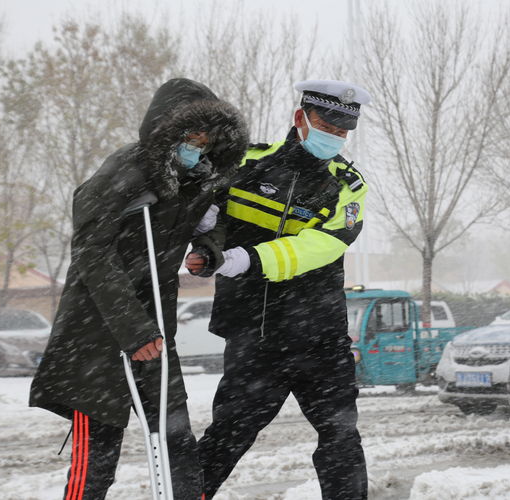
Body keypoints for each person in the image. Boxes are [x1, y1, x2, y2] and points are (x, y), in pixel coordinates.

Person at [29, 78, 249, 500]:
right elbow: (92, 254)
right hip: (99, 334)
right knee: (97, 460)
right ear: (167, 130)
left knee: (178, 442)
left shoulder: (199, 178)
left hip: (157, 329)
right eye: (191, 136)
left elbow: (214, 220)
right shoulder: (122, 173)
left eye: (207, 139)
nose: (198, 146)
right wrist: (134, 332)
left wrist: (207, 248)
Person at [186, 80, 371, 500]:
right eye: (326, 125)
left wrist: (245, 259)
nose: (334, 137)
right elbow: (209, 218)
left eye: (342, 132)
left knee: (340, 439)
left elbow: (322, 245)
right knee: (226, 438)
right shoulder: (246, 164)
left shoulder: (348, 185)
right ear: (300, 119)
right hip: (254, 338)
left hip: (320, 340)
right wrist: (206, 244)